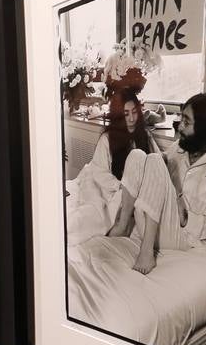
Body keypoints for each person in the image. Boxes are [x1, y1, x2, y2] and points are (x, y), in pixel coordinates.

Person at [106, 92, 206, 274]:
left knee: (154, 159)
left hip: (184, 236)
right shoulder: (180, 147)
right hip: (153, 223)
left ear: (205, 128)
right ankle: (122, 226)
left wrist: (187, 219)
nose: (180, 128)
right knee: (138, 155)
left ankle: (146, 253)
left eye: (187, 122)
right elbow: (158, 170)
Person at [65, 72, 162, 246]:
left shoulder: (144, 136)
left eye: (134, 112)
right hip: (100, 184)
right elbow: (98, 172)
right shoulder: (108, 138)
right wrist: (122, 188)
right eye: (126, 114)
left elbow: (158, 162)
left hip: (124, 192)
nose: (131, 119)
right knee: (94, 214)